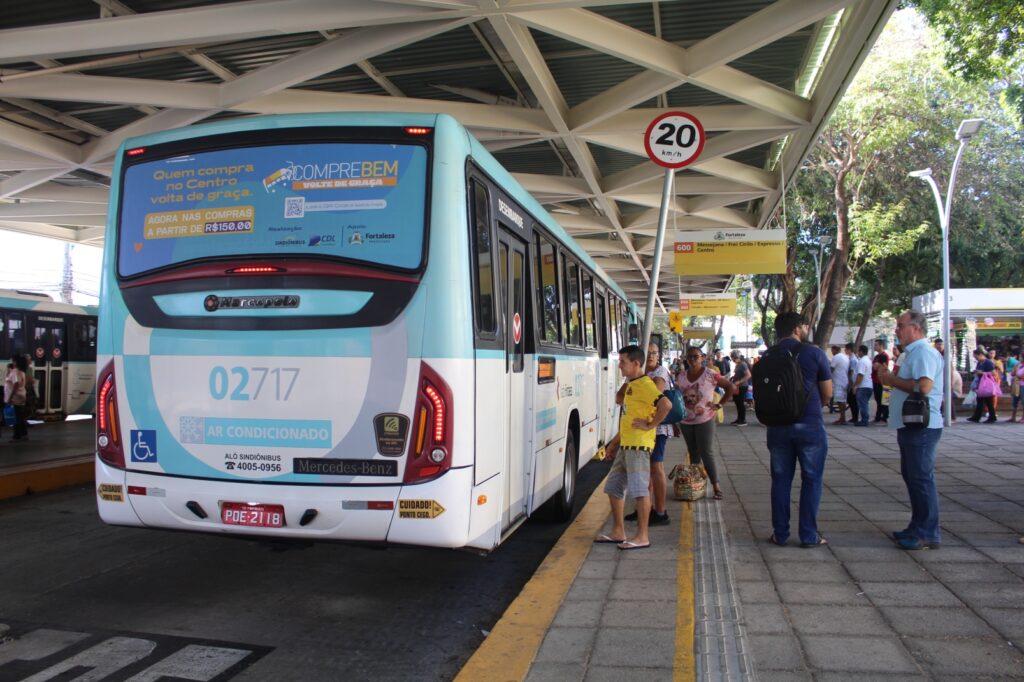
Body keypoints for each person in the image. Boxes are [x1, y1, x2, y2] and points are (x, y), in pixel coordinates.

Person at [877, 311, 944, 550]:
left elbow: (924, 386)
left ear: (916, 328)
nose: (897, 330)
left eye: (900, 325)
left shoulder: (924, 352)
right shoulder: (912, 353)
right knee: (913, 477)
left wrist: (892, 381)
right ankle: (917, 526)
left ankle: (927, 532)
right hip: (910, 424)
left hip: (921, 426)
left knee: (921, 479)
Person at [764, 313, 832, 547]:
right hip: (810, 426)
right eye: (804, 325)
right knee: (812, 479)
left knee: (780, 481)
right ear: (796, 329)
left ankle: (780, 534)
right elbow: (827, 393)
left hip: (778, 427)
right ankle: (809, 535)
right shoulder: (814, 353)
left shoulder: (769, 355)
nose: (806, 328)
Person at [598, 345, 672, 550]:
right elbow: (625, 413)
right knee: (613, 487)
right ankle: (618, 531)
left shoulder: (646, 385)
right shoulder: (632, 384)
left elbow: (666, 405)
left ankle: (642, 536)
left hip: (639, 446)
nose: (619, 365)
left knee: (640, 491)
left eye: (623, 362)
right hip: (626, 445)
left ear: (636, 363)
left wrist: (651, 425)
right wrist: (614, 445)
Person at [676, 346, 737, 501]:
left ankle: (716, 486)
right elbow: (678, 397)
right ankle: (697, 486)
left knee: (707, 452)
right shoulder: (681, 376)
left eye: (695, 357)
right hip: (686, 421)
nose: (692, 360)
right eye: (689, 357)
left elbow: (731, 387)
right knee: (693, 454)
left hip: (705, 419)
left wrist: (719, 405)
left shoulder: (710, 373)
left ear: (702, 357)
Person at [968, 348, 998, 423]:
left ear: (981, 355)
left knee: (988, 401)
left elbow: (994, 373)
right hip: (980, 384)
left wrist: (982, 373)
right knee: (980, 401)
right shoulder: (979, 363)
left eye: (976, 357)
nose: (976, 359)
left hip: (987, 384)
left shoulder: (988, 362)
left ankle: (992, 417)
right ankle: (976, 416)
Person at [4, 354, 29, 442]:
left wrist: (10, 397)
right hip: (21, 396)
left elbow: (15, 384)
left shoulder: (15, 371)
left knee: (16, 417)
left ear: (16, 362)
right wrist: (9, 370)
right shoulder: (21, 372)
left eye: (13, 361)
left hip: (15, 397)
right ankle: (23, 433)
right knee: (19, 416)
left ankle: (17, 436)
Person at [852, 345, 873, 426]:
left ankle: (864, 420)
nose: (857, 353)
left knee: (863, 403)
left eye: (858, 351)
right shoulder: (868, 360)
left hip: (863, 386)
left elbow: (860, 375)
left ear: (861, 351)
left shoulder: (862, 361)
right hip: (868, 385)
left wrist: (855, 385)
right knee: (865, 403)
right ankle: (865, 419)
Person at [829, 344, 849, 425]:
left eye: (832, 350)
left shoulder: (836, 357)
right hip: (844, 380)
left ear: (834, 350)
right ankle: (842, 417)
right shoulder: (845, 357)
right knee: (842, 400)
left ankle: (842, 418)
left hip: (838, 381)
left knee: (840, 401)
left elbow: (831, 369)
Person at [871, 339, 890, 423]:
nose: (875, 346)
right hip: (875, 380)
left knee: (884, 400)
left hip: (882, 381)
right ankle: (878, 416)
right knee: (878, 399)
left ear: (881, 345)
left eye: (876, 345)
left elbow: (884, 367)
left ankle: (884, 417)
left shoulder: (884, 356)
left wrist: (878, 366)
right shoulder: (876, 356)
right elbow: (874, 366)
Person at [729, 351, 750, 425]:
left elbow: (748, 375)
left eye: (734, 358)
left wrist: (739, 381)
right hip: (737, 387)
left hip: (742, 386)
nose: (733, 360)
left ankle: (743, 420)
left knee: (740, 403)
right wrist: (733, 378)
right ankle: (739, 419)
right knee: (737, 402)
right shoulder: (738, 365)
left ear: (737, 357)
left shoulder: (743, 364)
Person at [844, 343, 860, 424]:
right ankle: (854, 417)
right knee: (850, 400)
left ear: (849, 350)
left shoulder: (853, 359)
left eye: (846, 349)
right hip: (851, 382)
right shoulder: (850, 358)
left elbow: (851, 372)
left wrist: (851, 385)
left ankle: (855, 417)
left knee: (853, 401)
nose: (845, 350)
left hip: (852, 382)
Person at [1010, 353, 1024, 423]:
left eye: (1021, 357)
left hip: (1023, 385)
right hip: (1016, 385)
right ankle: (1013, 417)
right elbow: (1013, 373)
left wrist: (1018, 376)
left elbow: (1021, 376)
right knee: (1014, 401)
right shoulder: (1018, 365)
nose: (1019, 358)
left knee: (1023, 401)